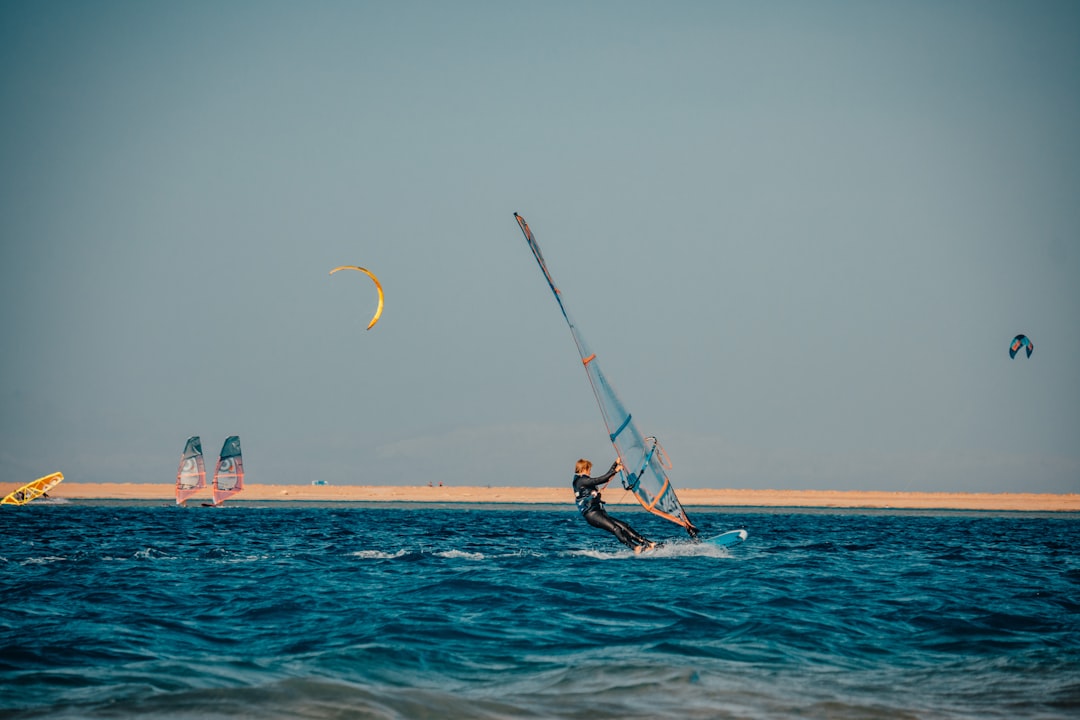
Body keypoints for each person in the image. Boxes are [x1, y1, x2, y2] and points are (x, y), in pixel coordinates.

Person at [572, 458, 656, 553]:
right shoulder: (580, 481)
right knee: (616, 528)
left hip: (599, 512)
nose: (590, 471)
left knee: (624, 526)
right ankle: (635, 548)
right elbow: (600, 480)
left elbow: (605, 478)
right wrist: (615, 470)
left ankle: (648, 543)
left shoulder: (584, 480)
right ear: (583, 469)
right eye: (589, 469)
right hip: (592, 514)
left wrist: (615, 464)